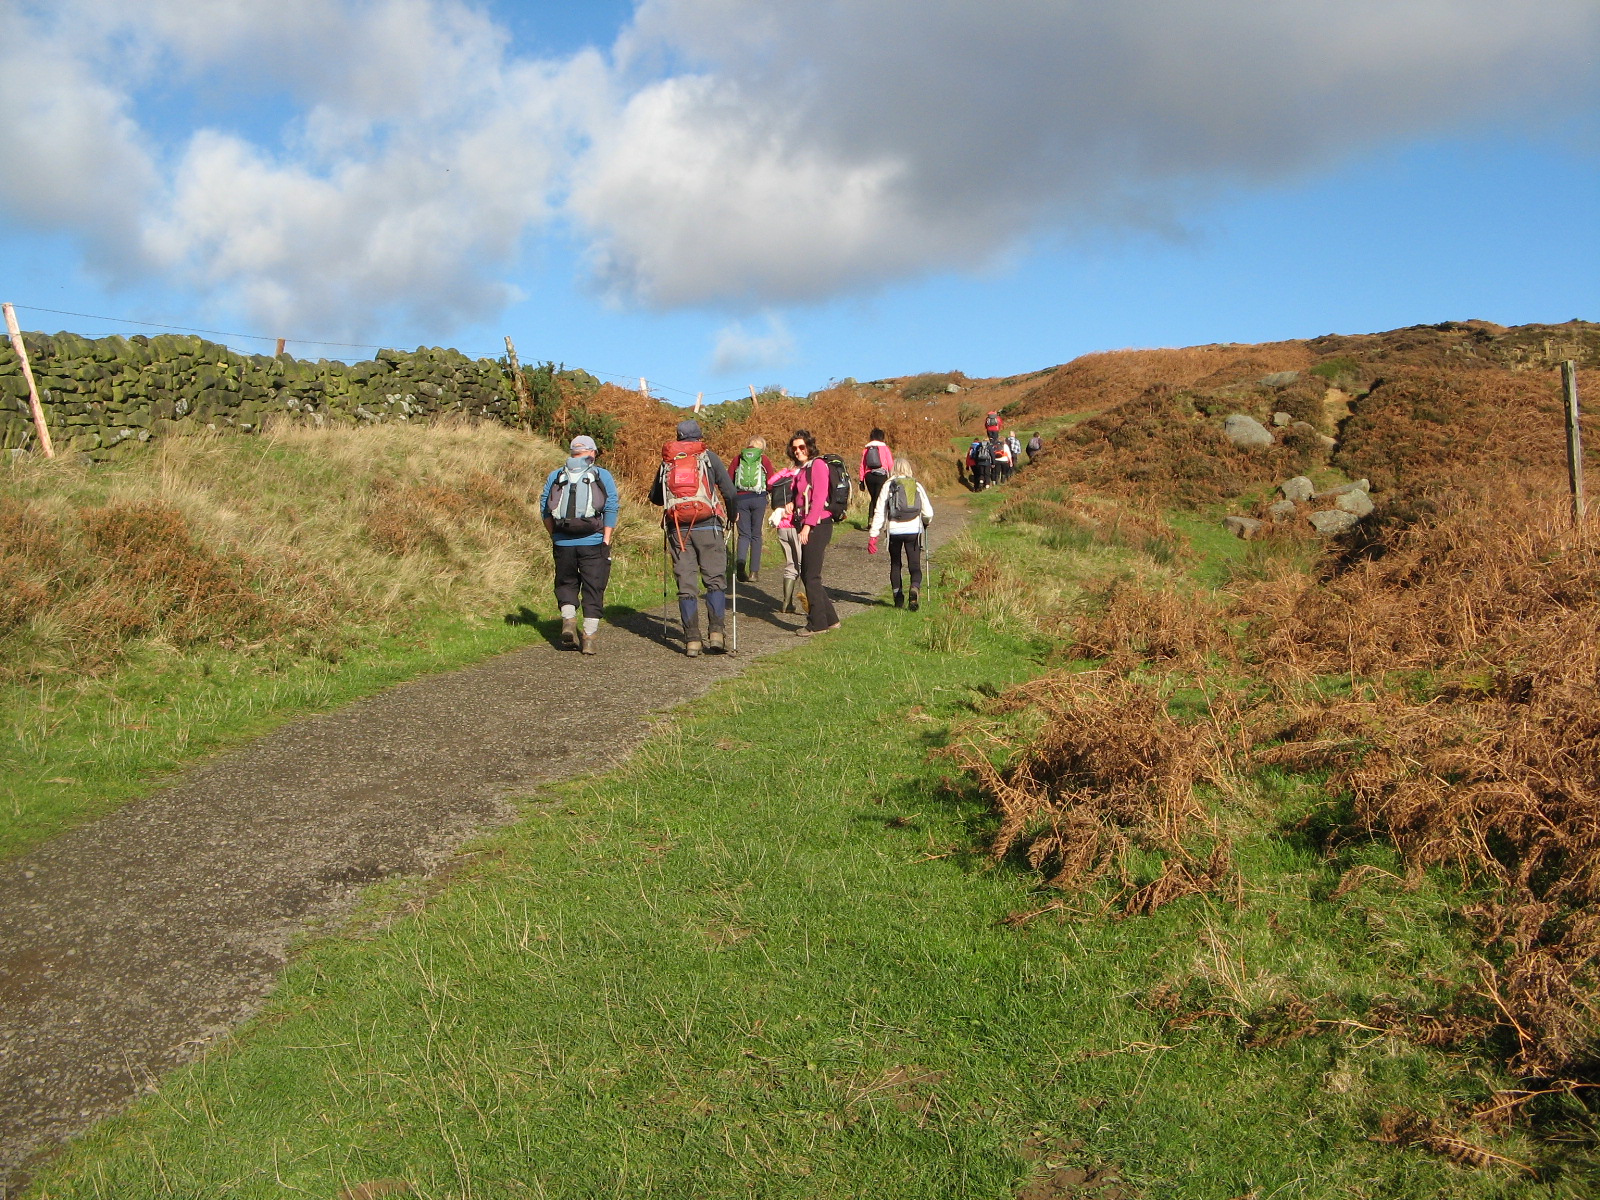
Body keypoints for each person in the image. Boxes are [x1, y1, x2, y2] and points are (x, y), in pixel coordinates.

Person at [650, 418, 738, 656]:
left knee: (686, 585)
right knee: (715, 580)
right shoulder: (708, 457)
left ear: (678, 438)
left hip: (677, 528)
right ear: (699, 437)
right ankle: (717, 635)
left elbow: (656, 497)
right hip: (708, 526)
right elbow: (729, 491)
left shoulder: (668, 461)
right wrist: (732, 515)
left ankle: (691, 641)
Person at [539, 434, 619, 655]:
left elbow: (544, 507)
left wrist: (554, 535)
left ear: (572, 453)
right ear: (592, 452)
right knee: (594, 587)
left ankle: (568, 620)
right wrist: (606, 538)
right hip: (593, 541)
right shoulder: (601, 474)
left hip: (562, 541)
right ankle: (589, 638)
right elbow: (611, 506)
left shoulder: (556, 475)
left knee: (565, 582)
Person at [787, 429, 841, 636]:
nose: (798, 451)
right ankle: (831, 619)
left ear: (809, 447)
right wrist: (793, 504)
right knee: (809, 574)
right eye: (794, 448)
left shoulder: (818, 465)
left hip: (819, 524)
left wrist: (808, 526)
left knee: (811, 576)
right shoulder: (802, 469)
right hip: (808, 523)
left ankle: (817, 624)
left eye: (802, 447)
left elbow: (819, 498)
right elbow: (803, 496)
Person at [867, 456, 933, 611]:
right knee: (915, 564)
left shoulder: (888, 485)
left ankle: (898, 598)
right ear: (908, 469)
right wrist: (925, 522)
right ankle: (914, 588)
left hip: (894, 531)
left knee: (895, 563)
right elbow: (928, 512)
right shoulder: (916, 484)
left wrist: (873, 535)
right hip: (913, 530)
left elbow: (880, 511)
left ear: (893, 469)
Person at [732, 435, 774, 582]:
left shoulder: (738, 458)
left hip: (740, 499)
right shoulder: (764, 459)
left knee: (743, 535)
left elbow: (729, 478)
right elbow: (771, 482)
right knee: (756, 535)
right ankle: (754, 572)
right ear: (761, 447)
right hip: (758, 498)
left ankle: (741, 566)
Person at [766, 458, 804, 614]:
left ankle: (786, 603)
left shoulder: (783, 475)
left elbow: (769, 483)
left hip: (781, 526)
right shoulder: (801, 476)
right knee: (803, 564)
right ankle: (808, 603)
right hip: (796, 526)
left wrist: (783, 471)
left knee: (790, 564)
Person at [859, 428, 894, 517]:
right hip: (881, 476)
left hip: (869, 476)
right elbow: (890, 464)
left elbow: (862, 465)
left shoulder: (866, 449)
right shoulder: (885, 448)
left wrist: (861, 480)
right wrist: (893, 476)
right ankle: (877, 520)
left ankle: (871, 520)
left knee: (873, 498)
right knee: (879, 498)